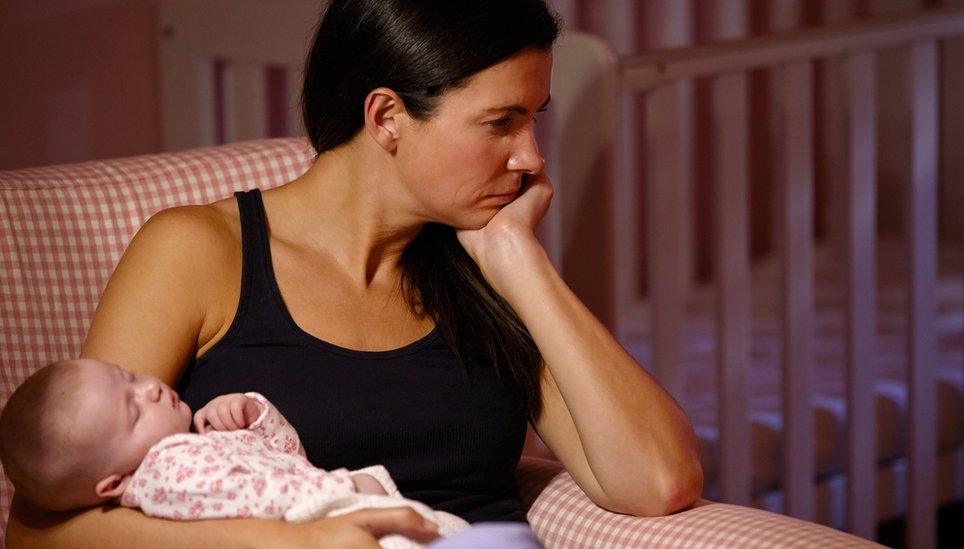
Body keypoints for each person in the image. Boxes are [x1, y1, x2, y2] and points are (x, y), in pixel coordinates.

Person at [6, 0, 703, 546]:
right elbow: (43, 532)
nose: (530, 158)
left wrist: (523, 264)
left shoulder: (486, 266)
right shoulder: (197, 252)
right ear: (386, 116)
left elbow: (658, 481)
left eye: (535, 121)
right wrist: (280, 543)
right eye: (500, 123)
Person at [0, 358, 468, 548]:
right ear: (114, 483)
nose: (151, 390)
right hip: (329, 521)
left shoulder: (193, 444)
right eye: (134, 410)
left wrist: (254, 416)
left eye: (130, 378)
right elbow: (258, 503)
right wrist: (344, 486)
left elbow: (291, 457)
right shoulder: (169, 473)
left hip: (339, 507)